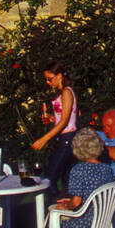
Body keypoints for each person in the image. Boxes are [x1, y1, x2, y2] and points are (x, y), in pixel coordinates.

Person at [47, 128, 115, 228]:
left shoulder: (78, 170)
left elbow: (76, 202)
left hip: (85, 225)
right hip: (102, 222)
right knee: (68, 223)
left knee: (57, 227)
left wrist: (66, 205)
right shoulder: (107, 169)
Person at [31, 61, 77, 194]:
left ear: (60, 76)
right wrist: (52, 118)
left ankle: (54, 209)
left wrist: (43, 139)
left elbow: (64, 122)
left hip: (68, 139)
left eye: (49, 79)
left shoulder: (67, 93)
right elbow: (64, 118)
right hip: (63, 139)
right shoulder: (62, 93)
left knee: (49, 181)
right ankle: (63, 210)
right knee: (64, 180)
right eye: (46, 79)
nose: (47, 82)